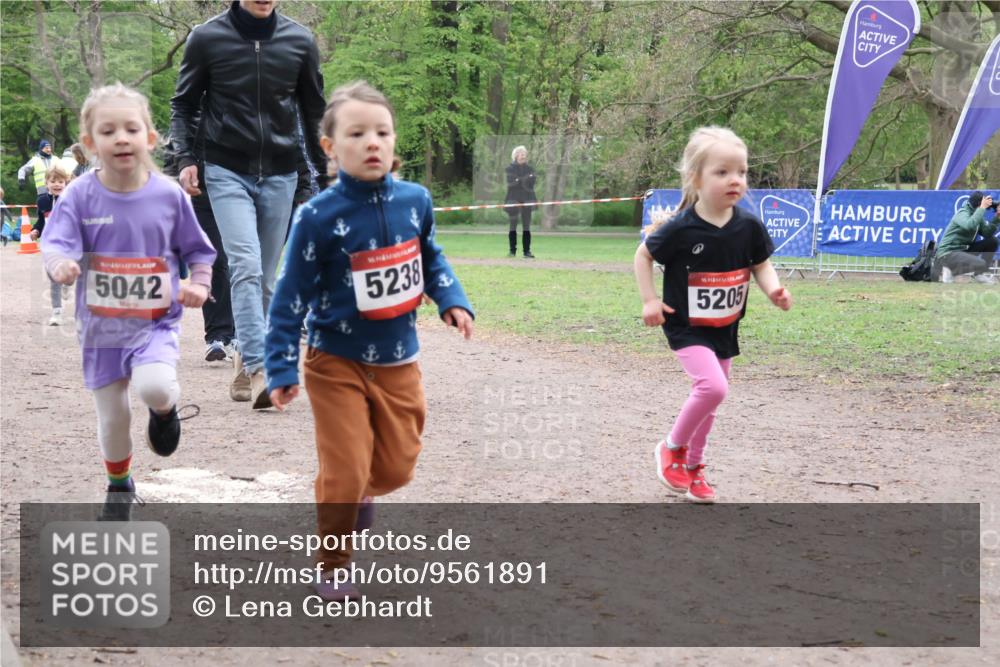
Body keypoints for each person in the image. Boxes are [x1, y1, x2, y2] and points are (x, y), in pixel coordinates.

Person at [264, 81, 474, 600]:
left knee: (398, 467)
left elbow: (430, 256)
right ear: (330, 147)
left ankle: (359, 491)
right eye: (357, 134)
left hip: (400, 360)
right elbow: (289, 297)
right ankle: (333, 564)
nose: (372, 142)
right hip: (334, 360)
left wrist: (452, 298)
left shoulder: (415, 200)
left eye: (382, 132)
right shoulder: (316, 216)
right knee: (345, 468)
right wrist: (281, 367)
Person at [41, 83, 216, 520]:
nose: (121, 138)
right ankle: (119, 486)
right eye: (108, 131)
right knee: (114, 416)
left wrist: (199, 283)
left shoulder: (169, 195)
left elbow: (199, 250)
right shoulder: (79, 195)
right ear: (89, 143)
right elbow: (55, 242)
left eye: (131, 129)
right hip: (100, 327)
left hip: (154, 322)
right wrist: (60, 264)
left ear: (150, 138)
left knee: (154, 386)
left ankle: (165, 411)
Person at [170, 0, 328, 410]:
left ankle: (245, 351)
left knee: (267, 279)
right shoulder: (207, 38)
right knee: (245, 264)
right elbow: (183, 105)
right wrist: (185, 159)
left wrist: (327, 178)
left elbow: (314, 114)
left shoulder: (299, 41)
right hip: (225, 168)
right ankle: (261, 369)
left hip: (281, 172)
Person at [634, 126, 792, 504]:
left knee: (711, 401)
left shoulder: (748, 225)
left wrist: (773, 289)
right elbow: (644, 255)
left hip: (724, 327)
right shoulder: (681, 228)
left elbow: (761, 265)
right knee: (713, 388)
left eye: (741, 172)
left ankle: (693, 468)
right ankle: (671, 447)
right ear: (696, 178)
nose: (735, 179)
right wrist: (650, 300)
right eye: (722, 172)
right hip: (686, 327)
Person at [163, 137, 237, 363]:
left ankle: (240, 333)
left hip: (243, 192)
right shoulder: (189, 120)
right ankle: (218, 335)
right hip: (203, 197)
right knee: (216, 261)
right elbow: (174, 154)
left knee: (243, 264)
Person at [31, 164, 72, 325]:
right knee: (54, 277)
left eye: (61, 181)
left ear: (66, 183)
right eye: (53, 181)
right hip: (50, 245)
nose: (57, 184)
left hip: (69, 244)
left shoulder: (71, 199)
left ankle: (68, 283)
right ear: (46, 183)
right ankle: (56, 313)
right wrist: (36, 230)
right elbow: (41, 221)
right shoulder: (42, 201)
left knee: (69, 275)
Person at [936, 191, 998, 285]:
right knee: (981, 263)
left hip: (963, 250)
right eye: (983, 202)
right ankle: (949, 270)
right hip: (948, 252)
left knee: (993, 241)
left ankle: (979, 274)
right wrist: (982, 208)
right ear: (979, 203)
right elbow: (970, 225)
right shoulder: (962, 213)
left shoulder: (977, 213)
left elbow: (987, 233)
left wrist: (997, 217)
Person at [504, 145, 537, 258]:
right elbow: (512, 183)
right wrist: (524, 179)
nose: (524, 156)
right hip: (513, 199)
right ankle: (512, 251)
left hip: (527, 198)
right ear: (516, 155)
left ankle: (526, 251)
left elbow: (532, 182)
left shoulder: (530, 169)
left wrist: (520, 179)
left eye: (525, 154)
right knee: (513, 225)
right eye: (522, 154)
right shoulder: (510, 169)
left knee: (526, 226)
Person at [17, 140, 56, 205]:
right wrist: (21, 180)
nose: (49, 150)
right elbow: (22, 170)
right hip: (42, 193)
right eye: (46, 148)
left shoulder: (56, 159)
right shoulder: (35, 160)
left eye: (50, 148)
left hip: (56, 192)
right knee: (43, 211)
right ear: (41, 149)